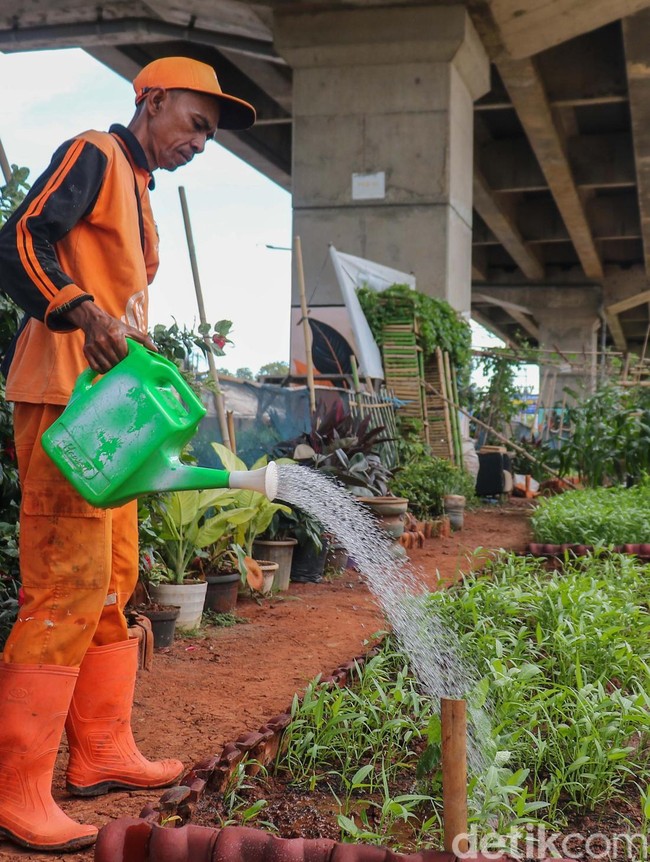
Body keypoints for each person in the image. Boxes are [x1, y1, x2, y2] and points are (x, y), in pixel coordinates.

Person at [0, 56, 255, 852]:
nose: (199, 144)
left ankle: (101, 750)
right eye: (195, 124)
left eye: (209, 137)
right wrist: (81, 312)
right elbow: (19, 239)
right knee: (65, 586)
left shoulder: (138, 186)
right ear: (152, 98)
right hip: (65, 401)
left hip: (111, 413)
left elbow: (117, 298)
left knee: (113, 580)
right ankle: (15, 790)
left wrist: (133, 339)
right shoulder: (95, 153)